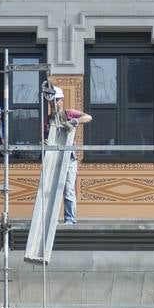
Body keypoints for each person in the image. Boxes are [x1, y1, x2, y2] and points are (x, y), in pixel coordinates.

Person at [48, 87, 92, 224]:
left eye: (57, 100)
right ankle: (52, 219)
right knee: (52, 191)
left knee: (68, 189)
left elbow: (88, 117)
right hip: (54, 157)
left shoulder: (69, 114)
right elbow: (43, 136)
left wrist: (74, 122)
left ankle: (70, 219)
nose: (54, 103)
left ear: (61, 100)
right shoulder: (48, 120)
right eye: (52, 101)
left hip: (69, 158)